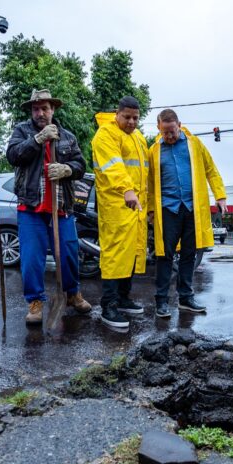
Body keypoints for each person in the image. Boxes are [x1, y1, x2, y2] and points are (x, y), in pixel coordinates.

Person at [6, 89, 92, 325]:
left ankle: (72, 293)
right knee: (32, 258)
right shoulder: (22, 131)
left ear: (53, 110)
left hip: (61, 206)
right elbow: (13, 155)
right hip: (31, 208)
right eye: (36, 109)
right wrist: (37, 139)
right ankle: (35, 302)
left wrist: (67, 170)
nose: (40, 113)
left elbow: (80, 165)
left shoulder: (68, 136)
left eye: (45, 108)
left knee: (68, 253)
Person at [148, 109, 227, 318]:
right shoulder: (154, 150)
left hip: (192, 209)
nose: (170, 136)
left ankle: (185, 298)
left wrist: (220, 196)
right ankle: (162, 301)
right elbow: (148, 183)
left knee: (189, 254)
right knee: (164, 255)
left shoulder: (195, 145)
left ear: (179, 125)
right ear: (158, 128)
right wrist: (149, 209)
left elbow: (211, 169)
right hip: (167, 209)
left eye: (172, 131)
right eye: (165, 133)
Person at [91, 96, 149, 328]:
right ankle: (109, 306)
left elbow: (146, 173)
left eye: (136, 117)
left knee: (131, 254)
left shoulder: (138, 138)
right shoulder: (105, 134)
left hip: (137, 207)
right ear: (117, 114)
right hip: (116, 205)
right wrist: (126, 190)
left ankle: (124, 299)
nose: (132, 122)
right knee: (115, 255)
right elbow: (113, 167)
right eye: (127, 117)